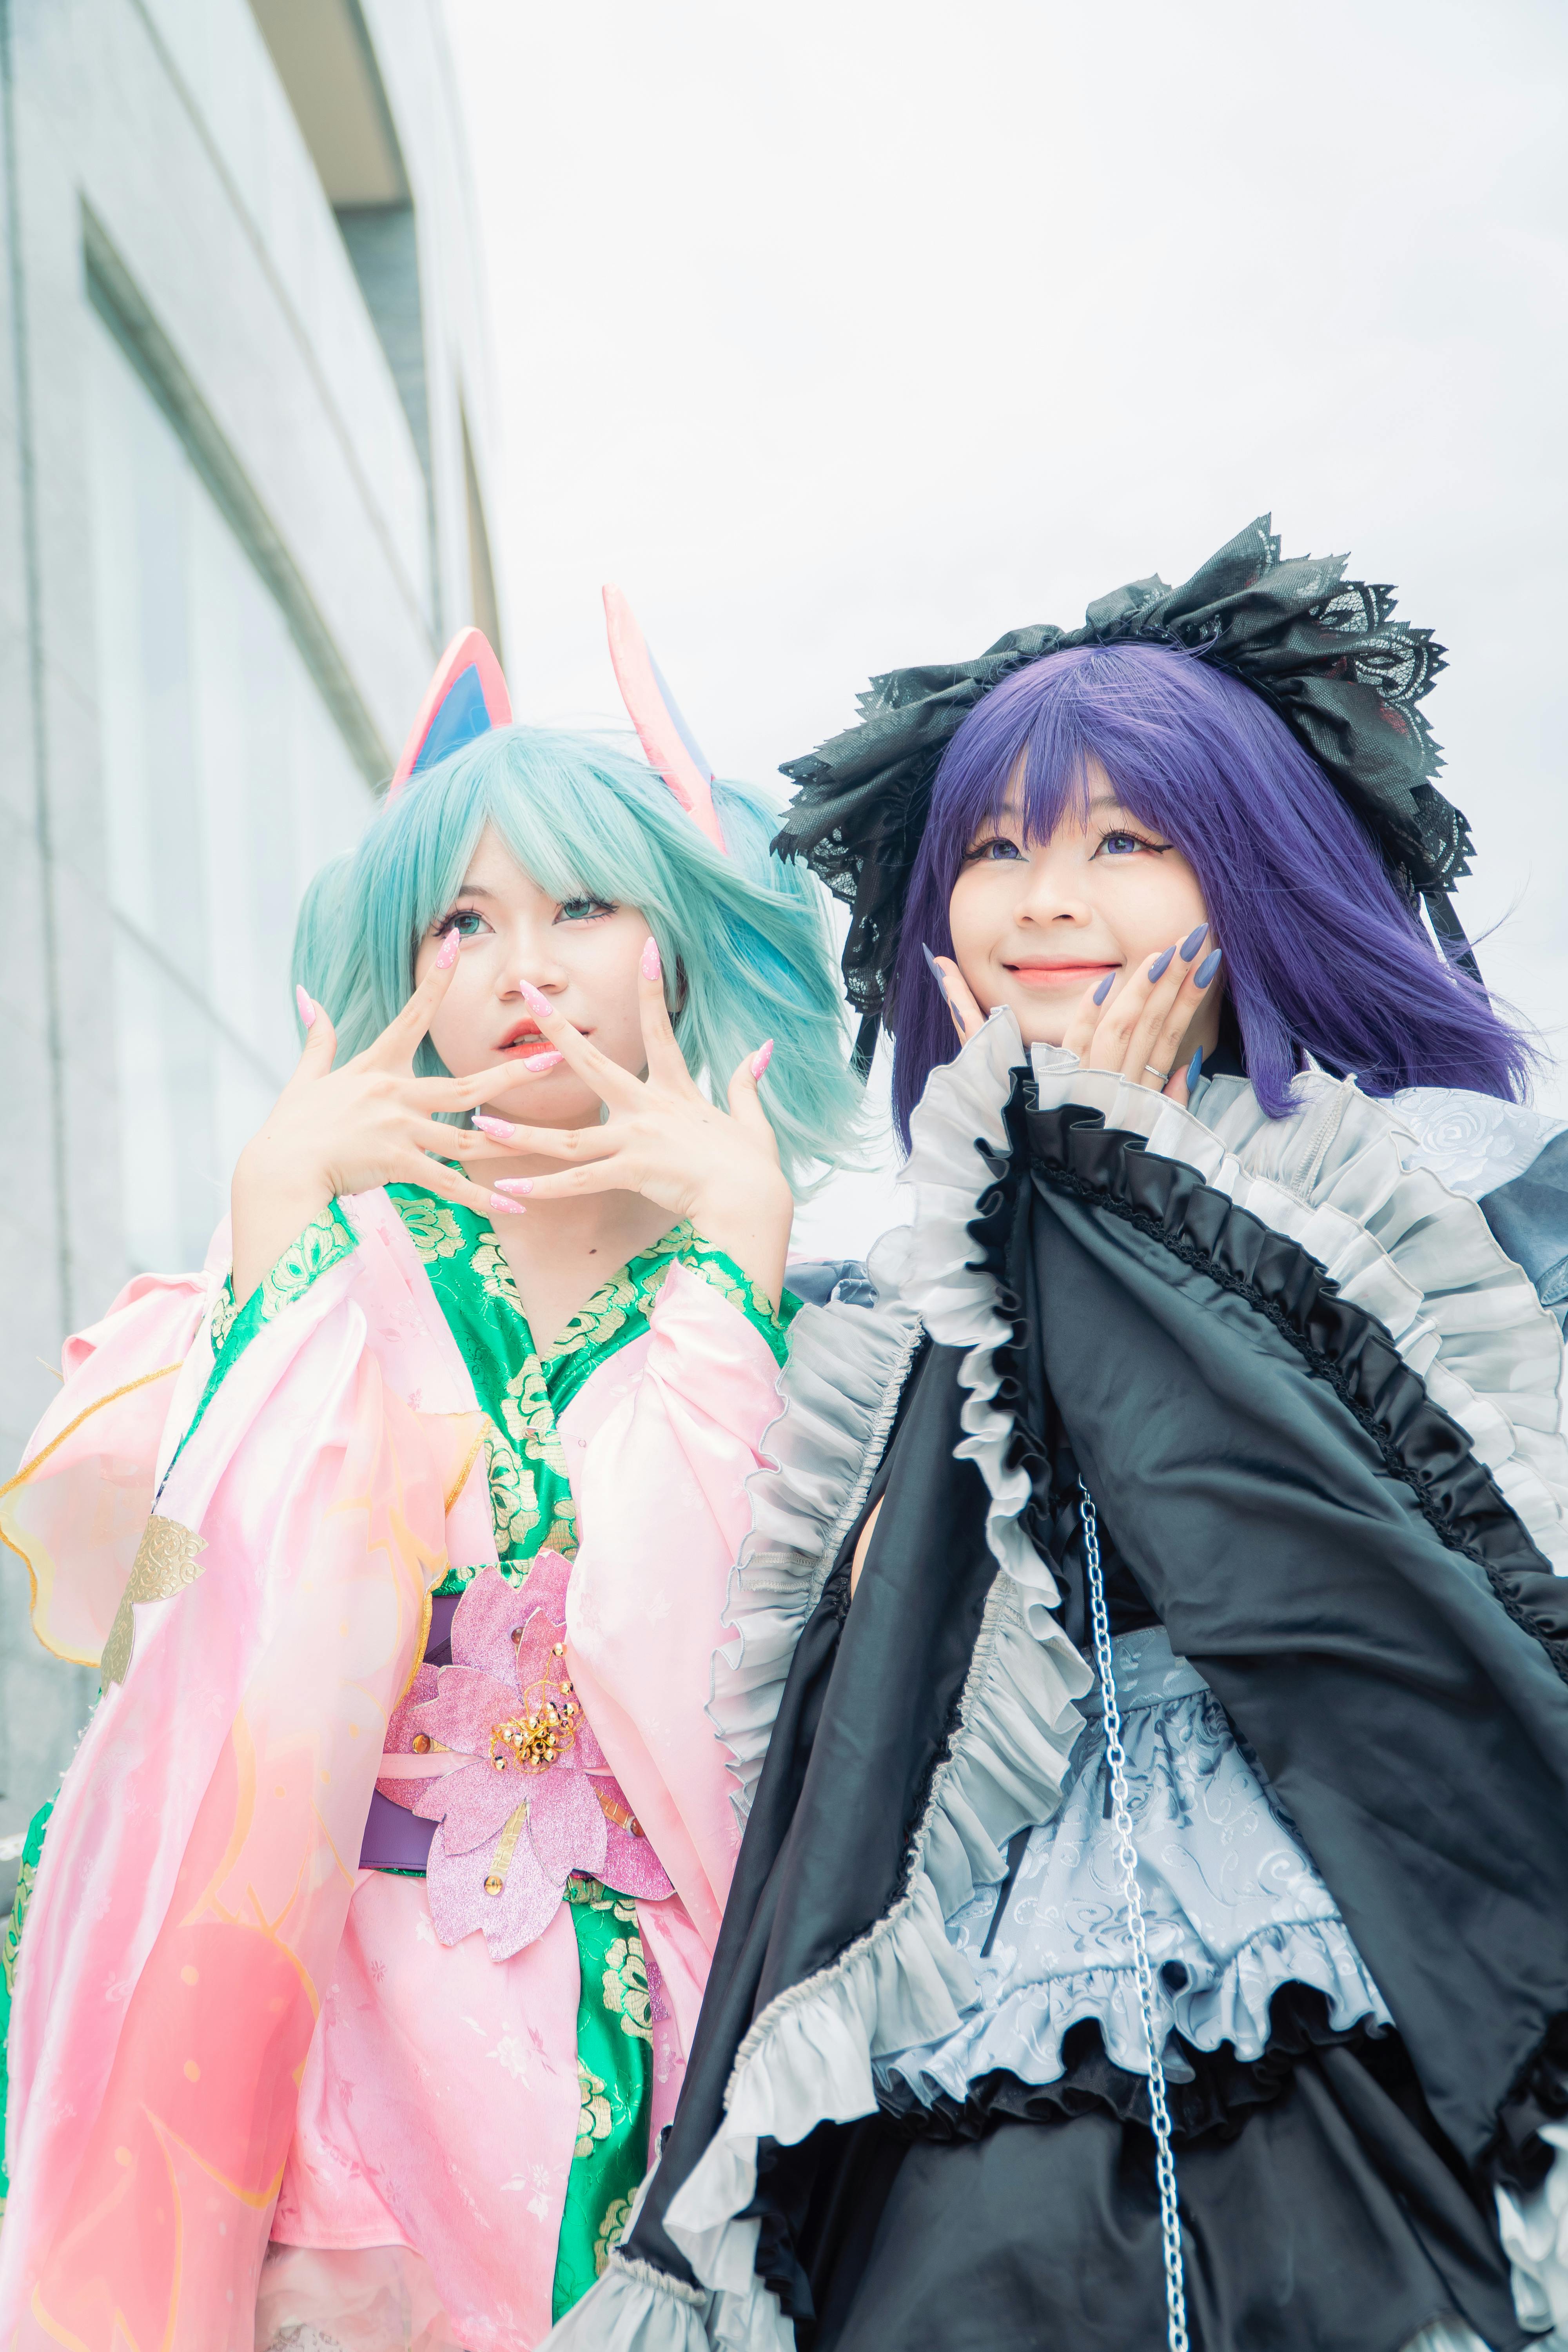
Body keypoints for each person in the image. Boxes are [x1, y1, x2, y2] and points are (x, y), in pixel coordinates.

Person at [553, 521, 1568, 2352]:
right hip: (993, 1934)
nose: (1043, 901)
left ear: (1255, 871)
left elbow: (1349, 1521)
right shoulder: (906, 1274)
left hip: (1345, 1898)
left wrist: (1092, 1161)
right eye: (999, 851)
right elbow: (856, 1649)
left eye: (1124, 841)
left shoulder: (1420, 1192)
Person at [0, 613, 864, 2352]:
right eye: (463, 921)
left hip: (657, 2039)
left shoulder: (812, 1323)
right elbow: (148, 1636)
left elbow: (765, 1704)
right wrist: (271, 1266)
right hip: (321, 2034)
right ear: (403, 970)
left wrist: (733, 1270)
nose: (520, 966)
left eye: (580, 908)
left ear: (675, 953)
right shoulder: (301, 1274)